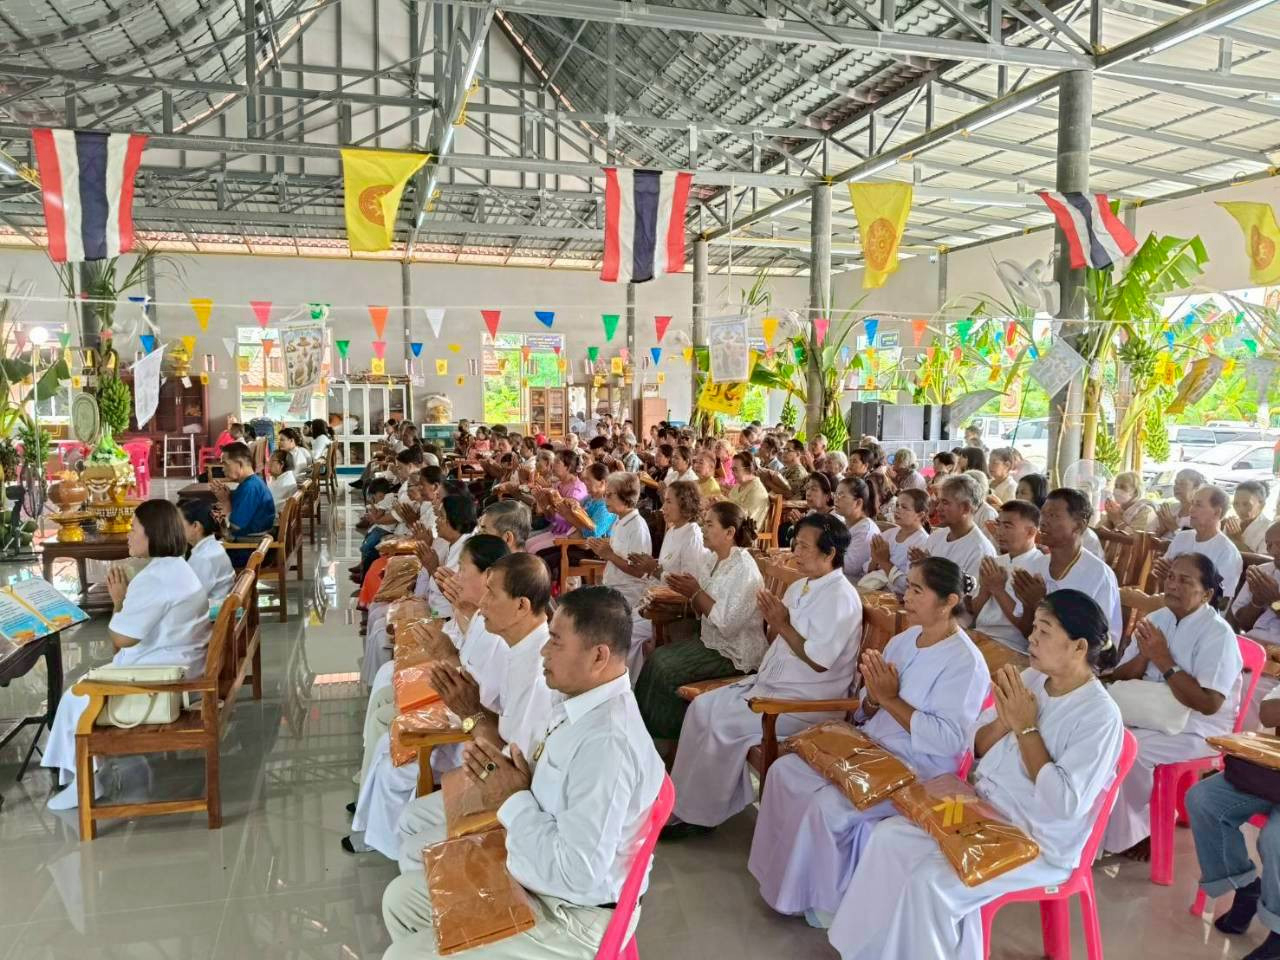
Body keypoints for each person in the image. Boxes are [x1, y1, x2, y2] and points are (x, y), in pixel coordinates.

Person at [827, 590, 1124, 960]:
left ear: (1079, 647)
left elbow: (1063, 803)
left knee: (932, 882)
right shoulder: (1032, 678)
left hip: (1034, 840)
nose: (1031, 638)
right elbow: (977, 745)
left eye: (1044, 631)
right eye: (1034, 627)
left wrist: (1026, 728)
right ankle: (865, 952)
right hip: (981, 811)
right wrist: (1005, 722)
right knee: (889, 837)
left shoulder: (1099, 716)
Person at [380, 585, 663, 960]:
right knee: (400, 900)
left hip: (571, 916)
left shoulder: (608, 744)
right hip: (535, 865)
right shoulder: (575, 700)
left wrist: (512, 797)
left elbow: (578, 873)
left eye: (556, 642)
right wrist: (511, 780)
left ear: (598, 656)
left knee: (402, 956)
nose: (544, 650)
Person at [750, 557, 991, 926]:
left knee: (828, 806)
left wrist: (891, 700)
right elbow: (864, 707)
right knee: (785, 772)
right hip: (871, 746)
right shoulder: (904, 640)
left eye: (918, 590)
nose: (906, 596)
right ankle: (779, 880)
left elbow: (948, 742)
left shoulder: (965, 663)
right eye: (908, 587)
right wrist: (875, 700)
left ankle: (822, 905)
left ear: (949, 602)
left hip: (917, 768)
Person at [664, 514, 862, 836]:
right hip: (772, 686)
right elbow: (779, 637)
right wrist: (777, 625)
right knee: (700, 708)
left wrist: (781, 623)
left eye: (804, 546)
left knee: (721, 724)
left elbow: (819, 661)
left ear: (829, 554)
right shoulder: (801, 585)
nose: (795, 552)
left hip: (805, 702)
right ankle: (680, 802)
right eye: (795, 544)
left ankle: (700, 815)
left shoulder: (841, 597)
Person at [355, 553, 554, 861]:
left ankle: (405, 864)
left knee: (408, 819)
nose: (483, 603)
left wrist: (469, 711)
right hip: (480, 743)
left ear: (521, 606)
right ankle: (383, 841)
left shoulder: (538, 671)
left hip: (500, 778)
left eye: (492, 594)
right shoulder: (517, 647)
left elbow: (515, 765)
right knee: (394, 757)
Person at [42, 500, 212, 809]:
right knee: (79, 691)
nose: (128, 536)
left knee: (75, 697)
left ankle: (86, 781)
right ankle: (96, 771)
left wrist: (119, 601)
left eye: (133, 529)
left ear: (153, 534)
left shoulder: (154, 579)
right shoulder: (178, 568)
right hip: (184, 668)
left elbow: (122, 638)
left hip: (164, 682)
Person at [1103, 552, 1243, 858]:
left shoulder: (1218, 634)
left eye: (1185, 580)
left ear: (1206, 594)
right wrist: (1144, 656)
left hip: (1199, 728)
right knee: (1099, 737)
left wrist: (1163, 660)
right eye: (1170, 577)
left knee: (1131, 750)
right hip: (1148, 711)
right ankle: (1100, 825)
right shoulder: (1157, 619)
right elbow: (1120, 675)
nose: (1173, 585)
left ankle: (1142, 828)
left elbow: (1208, 704)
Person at [635, 501, 766, 743]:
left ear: (729, 532)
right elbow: (695, 595)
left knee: (666, 669)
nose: (703, 529)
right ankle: (641, 731)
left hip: (734, 655)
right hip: (711, 642)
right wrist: (659, 572)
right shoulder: (713, 560)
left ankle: (669, 740)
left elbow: (727, 624)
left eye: (709, 524)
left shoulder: (744, 568)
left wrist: (695, 592)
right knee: (656, 659)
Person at [1185, 683, 1280, 960]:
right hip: (1273, 770)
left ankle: (1278, 930)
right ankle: (1246, 887)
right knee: (1204, 800)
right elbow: (1268, 714)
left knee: (1276, 837)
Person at [1011, 487, 1122, 645]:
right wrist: (1028, 605)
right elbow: (1026, 633)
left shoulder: (1099, 575)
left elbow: (1098, 644)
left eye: (1053, 515)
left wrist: (1041, 603)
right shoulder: (1036, 565)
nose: (1043, 522)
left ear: (1079, 526)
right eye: (1043, 514)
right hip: (1035, 653)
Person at [586, 472, 653, 679]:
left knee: (593, 622)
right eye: (605, 494)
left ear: (626, 497)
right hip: (614, 586)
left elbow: (640, 571)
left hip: (629, 592)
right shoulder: (619, 520)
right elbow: (616, 552)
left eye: (610, 495)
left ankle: (612, 676)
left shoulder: (637, 526)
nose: (605, 499)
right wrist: (602, 548)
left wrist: (609, 554)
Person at [911, 474, 996, 616]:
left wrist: (930, 570)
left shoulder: (980, 550)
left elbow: (967, 603)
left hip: (954, 619)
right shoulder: (937, 536)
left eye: (945, 503)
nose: (938, 508)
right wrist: (921, 568)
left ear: (965, 508)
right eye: (939, 502)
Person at [970, 500, 1044, 657]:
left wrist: (998, 590)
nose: (999, 532)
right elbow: (974, 612)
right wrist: (985, 590)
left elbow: (1027, 628)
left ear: (1031, 532)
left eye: (1008, 526)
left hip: (1011, 645)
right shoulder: (995, 562)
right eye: (999, 524)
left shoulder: (1041, 567)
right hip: (980, 634)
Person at [1154, 485, 1243, 603]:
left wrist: (1178, 580)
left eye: (1198, 505)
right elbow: (1162, 577)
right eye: (1192, 503)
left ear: (1217, 512)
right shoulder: (1182, 537)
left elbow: (1220, 600)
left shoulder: (1227, 552)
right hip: (1170, 605)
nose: (1191, 509)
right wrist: (1166, 578)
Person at [1230, 520, 1280, 728]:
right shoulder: (1262, 572)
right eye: (1269, 544)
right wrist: (1257, 601)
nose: (1273, 550)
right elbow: (1243, 622)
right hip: (1248, 647)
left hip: (1275, 662)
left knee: (1247, 689)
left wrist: (1275, 602)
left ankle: (1238, 743)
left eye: (1279, 544)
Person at [211, 441, 275, 567]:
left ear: (239, 464)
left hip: (249, 551)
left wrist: (225, 502)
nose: (222, 469)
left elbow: (235, 527)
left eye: (225, 464)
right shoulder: (252, 482)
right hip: (252, 545)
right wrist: (227, 498)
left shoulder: (250, 488)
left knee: (199, 552)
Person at [629, 480, 705, 584]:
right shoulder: (672, 530)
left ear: (685, 504)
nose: (663, 507)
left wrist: (654, 569)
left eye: (669, 502)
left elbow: (687, 586)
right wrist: (645, 563)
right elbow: (665, 567)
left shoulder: (693, 537)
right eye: (665, 501)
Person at [866, 488, 930, 594]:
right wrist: (875, 559)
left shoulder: (923, 543)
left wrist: (884, 562)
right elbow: (866, 571)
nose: (897, 510)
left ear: (920, 515)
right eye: (897, 505)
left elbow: (907, 586)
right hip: (872, 591)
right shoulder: (888, 534)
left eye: (904, 507)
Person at [525, 450, 588, 555]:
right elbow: (550, 518)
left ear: (568, 467)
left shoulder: (576, 490)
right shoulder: (559, 484)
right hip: (557, 530)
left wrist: (546, 504)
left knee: (532, 550)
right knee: (527, 544)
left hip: (570, 534)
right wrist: (541, 500)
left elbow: (564, 521)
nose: (553, 465)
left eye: (557, 462)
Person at [180, 498, 234, 604]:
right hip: (222, 604)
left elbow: (191, 599)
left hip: (214, 609)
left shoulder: (202, 558)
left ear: (196, 526)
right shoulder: (213, 546)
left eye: (179, 523)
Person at [835, 476, 879, 582]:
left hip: (853, 584)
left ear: (858, 503)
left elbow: (850, 567)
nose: (836, 499)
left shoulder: (865, 531)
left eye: (841, 495)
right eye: (836, 494)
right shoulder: (844, 524)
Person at [1157, 467, 1207, 536]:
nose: (1176, 487)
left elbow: (1193, 540)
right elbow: (1156, 536)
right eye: (1176, 483)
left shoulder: (1201, 515)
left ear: (1196, 488)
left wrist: (1173, 525)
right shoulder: (1172, 508)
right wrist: (1162, 528)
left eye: (1182, 484)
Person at [727, 451, 771, 529]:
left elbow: (746, 519)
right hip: (731, 525)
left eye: (735, 469)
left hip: (744, 531)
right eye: (732, 469)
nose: (732, 473)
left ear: (748, 469)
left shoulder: (757, 490)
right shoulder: (739, 485)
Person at [1227, 480, 1273, 554]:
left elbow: (1263, 560)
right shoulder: (1232, 524)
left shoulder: (1269, 529)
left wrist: (1238, 540)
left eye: (1246, 504)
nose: (1240, 509)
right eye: (1236, 504)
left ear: (1261, 505)